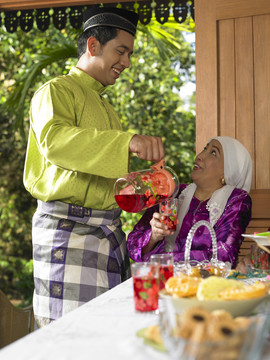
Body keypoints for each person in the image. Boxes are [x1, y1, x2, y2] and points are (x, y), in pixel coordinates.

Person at [23, 7, 165, 327]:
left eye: (129, 54)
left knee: (105, 338)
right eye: (121, 51)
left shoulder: (108, 110)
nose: (126, 63)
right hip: (68, 234)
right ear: (93, 46)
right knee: (71, 340)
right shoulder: (55, 90)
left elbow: (102, 177)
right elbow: (56, 143)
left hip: (108, 235)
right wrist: (126, 142)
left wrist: (145, 184)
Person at [127, 136, 252, 268]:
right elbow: (132, 246)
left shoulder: (237, 200)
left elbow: (222, 257)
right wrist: (153, 236)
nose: (199, 156)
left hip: (206, 285)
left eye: (213, 153)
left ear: (228, 170)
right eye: (204, 149)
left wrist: (157, 260)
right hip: (162, 280)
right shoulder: (175, 192)